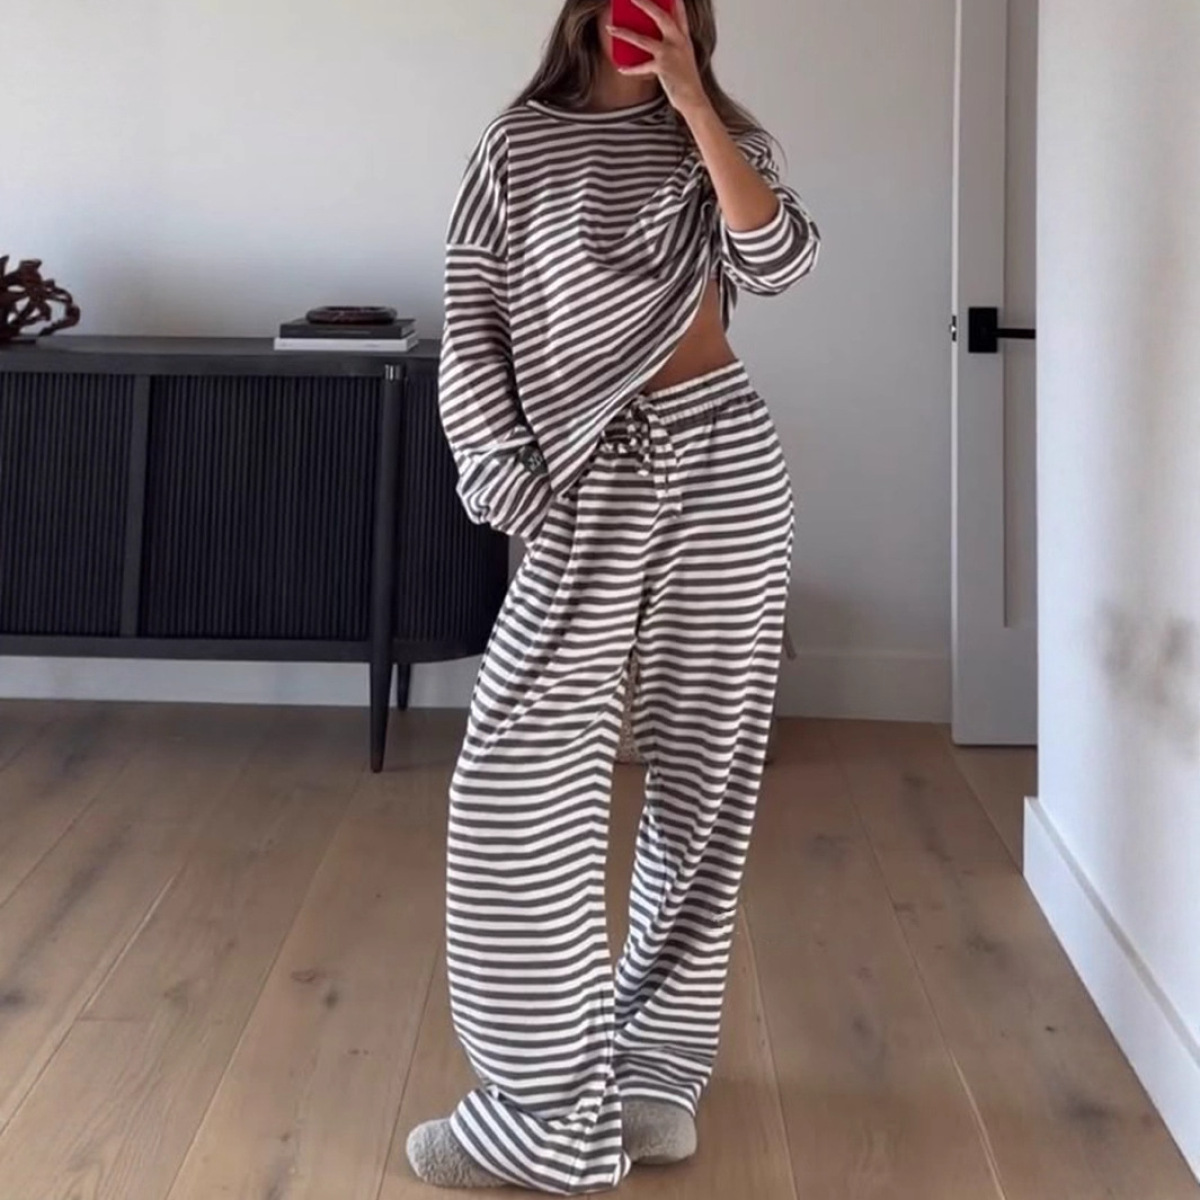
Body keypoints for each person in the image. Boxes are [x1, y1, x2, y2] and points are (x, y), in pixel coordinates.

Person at [407, 0, 819, 1191]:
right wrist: (506, 473)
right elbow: (473, 321)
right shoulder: (516, 143)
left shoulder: (721, 135)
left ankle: (655, 1074)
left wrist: (694, 106)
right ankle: (541, 1108)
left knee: (706, 775)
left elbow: (781, 262)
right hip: (587, 478)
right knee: (515, 774)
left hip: (726, 458)